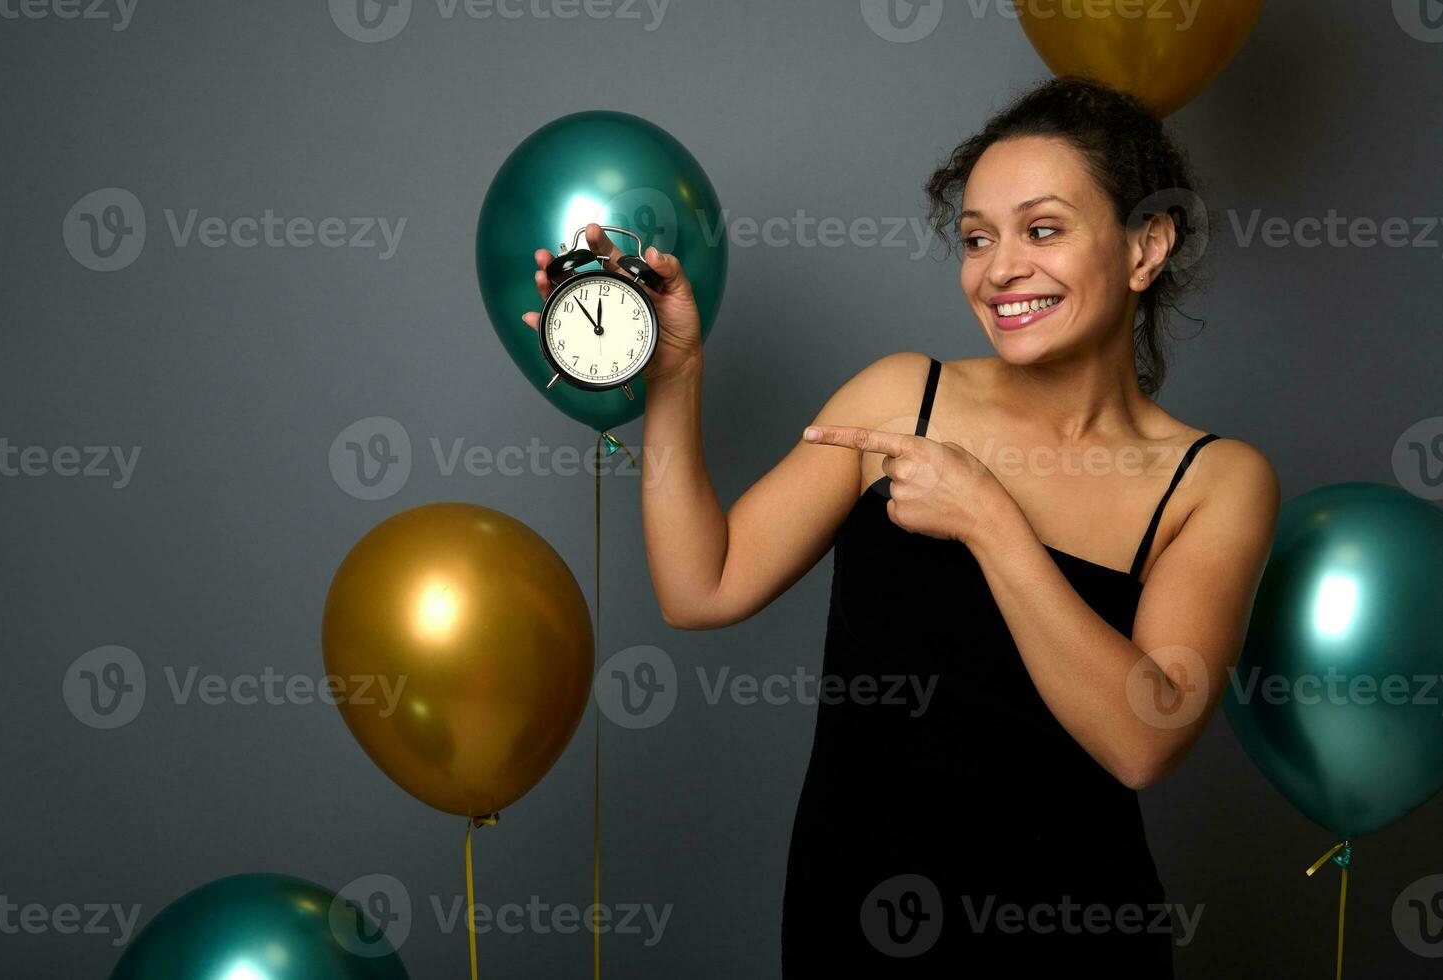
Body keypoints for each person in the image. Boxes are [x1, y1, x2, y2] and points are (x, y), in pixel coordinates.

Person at [522, 75, 1280, 976]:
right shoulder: (899, 398)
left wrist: (990, 522)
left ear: (1145, 245)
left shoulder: (1214, 482)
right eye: (975, 239)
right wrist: (675, 376)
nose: (999, 270)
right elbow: (701, 586)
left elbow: (1145, 741)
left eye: (1042, 230)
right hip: (856, 924)